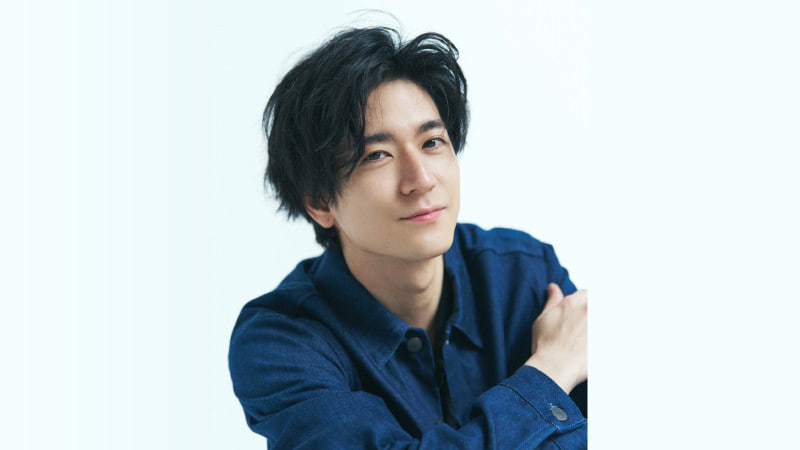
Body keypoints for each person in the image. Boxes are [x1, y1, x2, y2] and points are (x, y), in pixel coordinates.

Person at [228, 26, 588, 449]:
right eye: (377, 155)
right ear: (319, 202)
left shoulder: (522, 273)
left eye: (432, 142)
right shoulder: (280, 343)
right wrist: (549, 372)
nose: (421, 179)